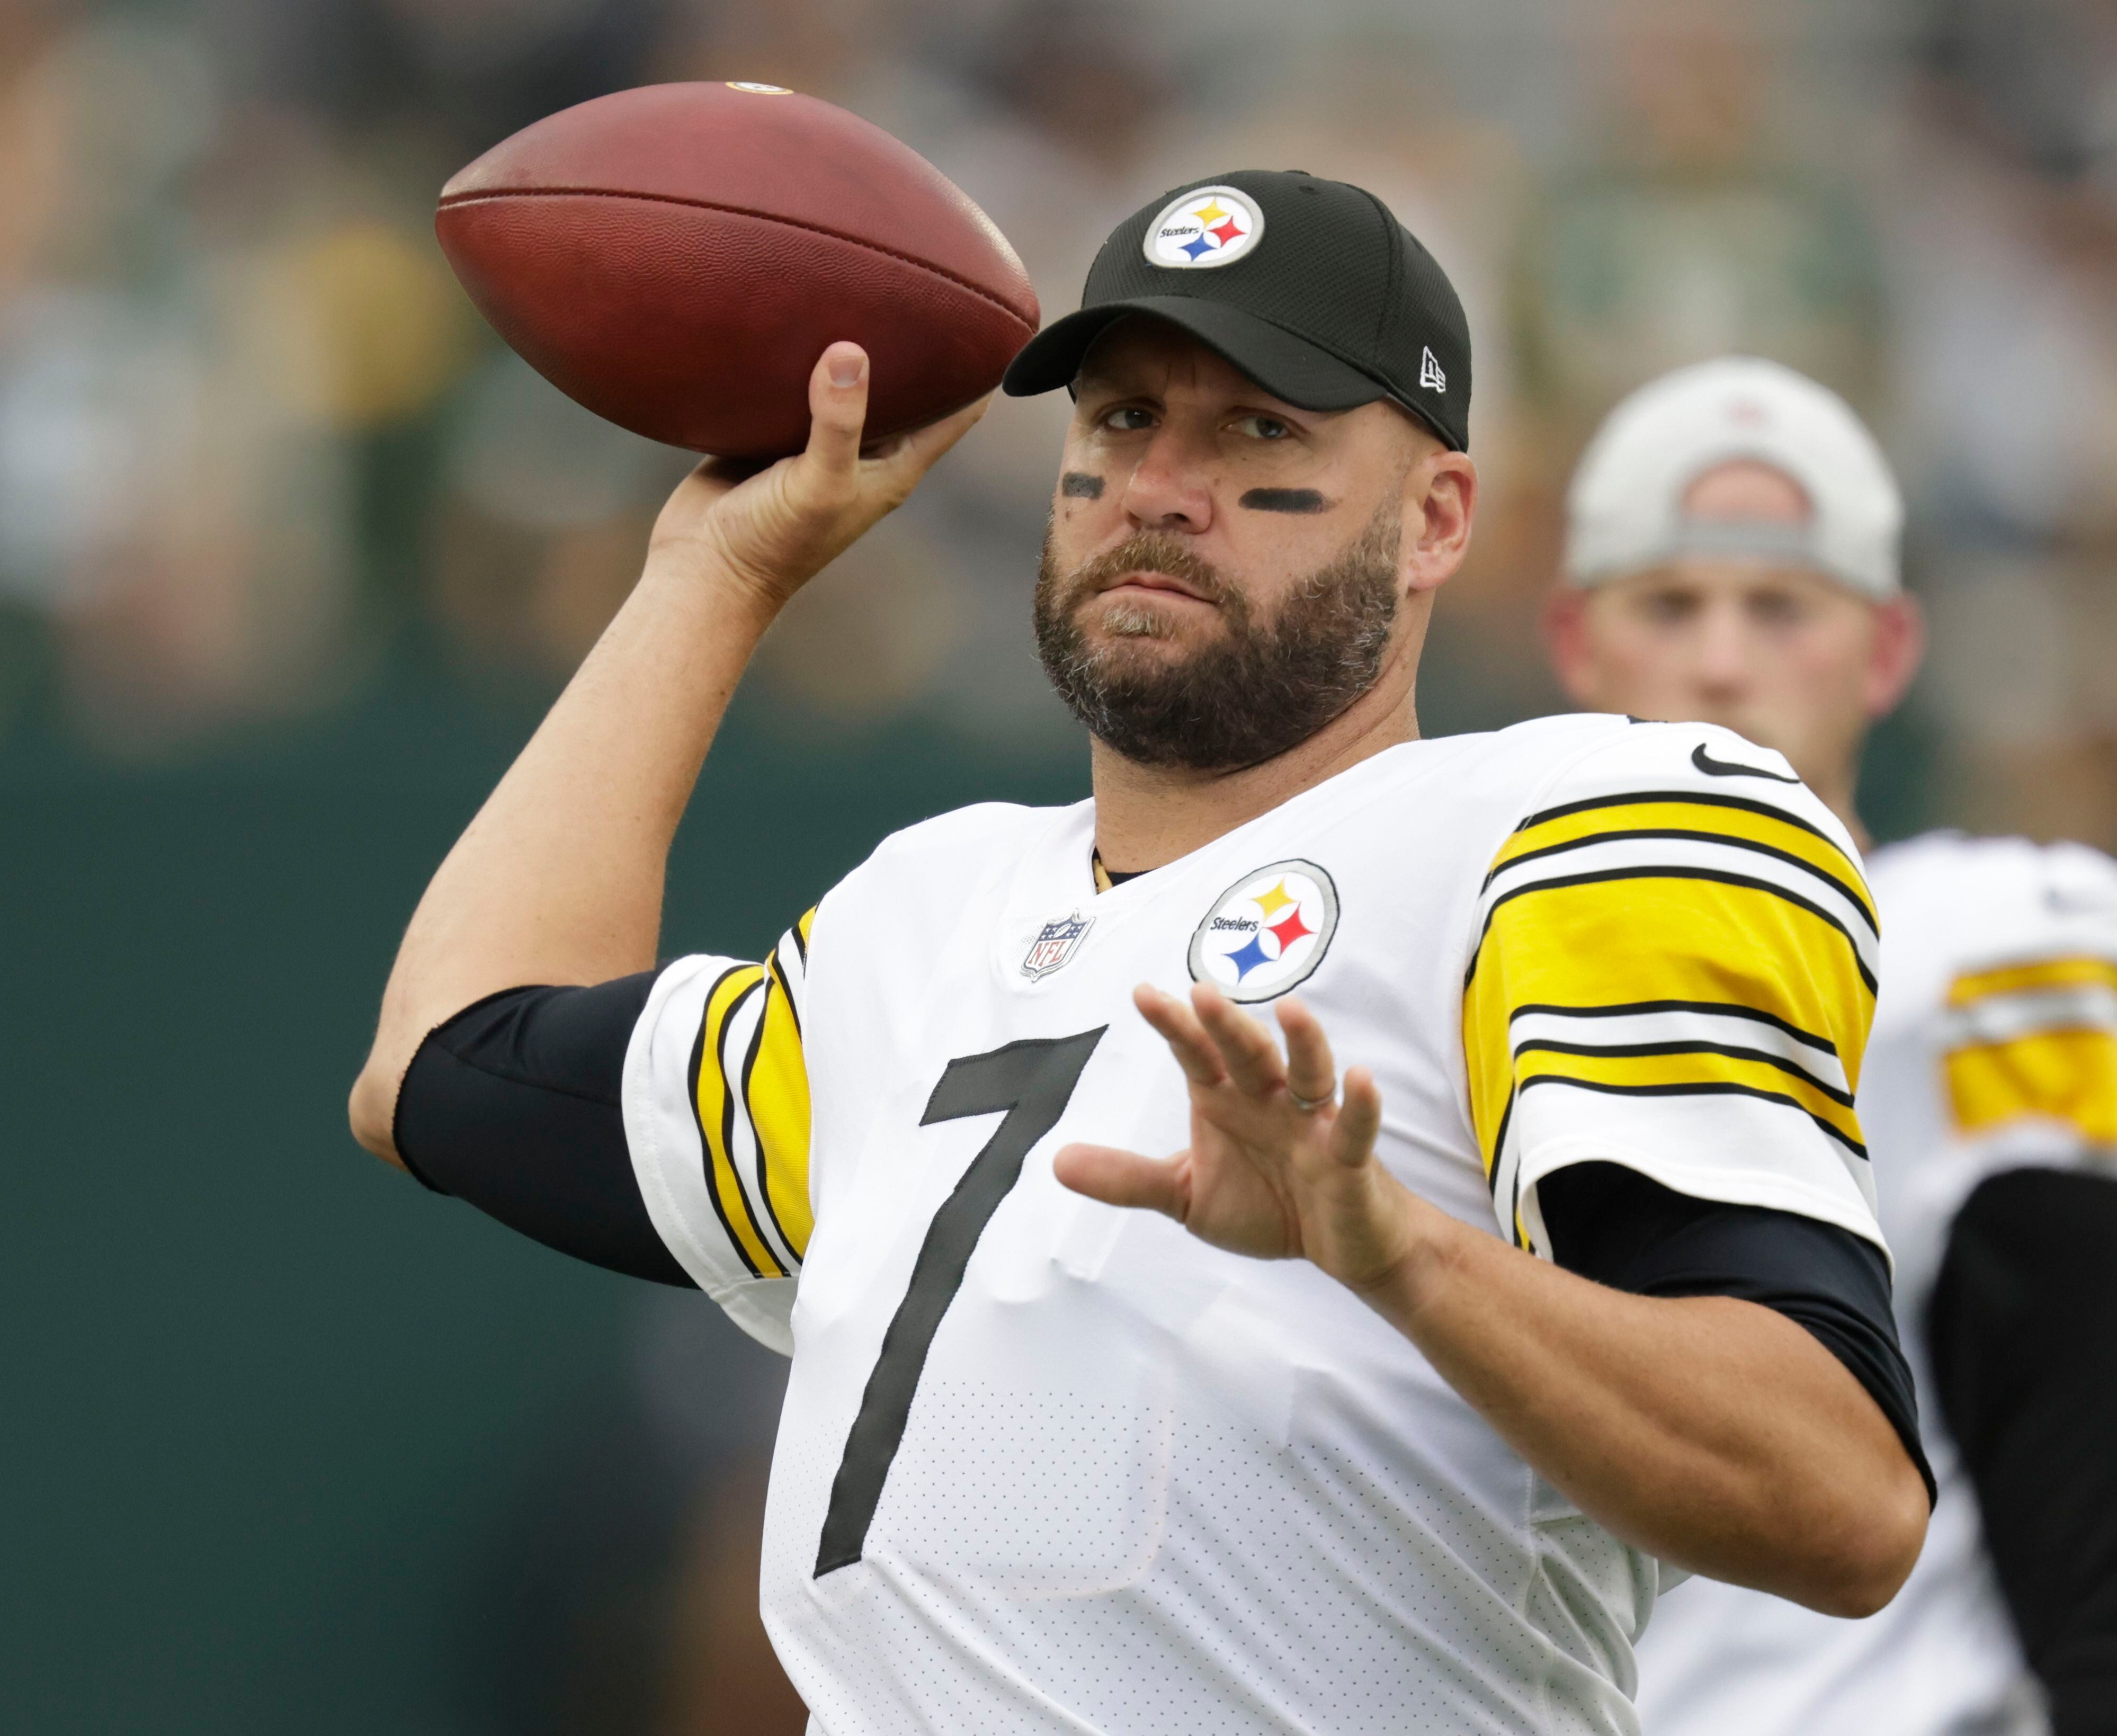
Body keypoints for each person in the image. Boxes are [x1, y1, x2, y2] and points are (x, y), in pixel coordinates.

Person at [345, 173, 1930, 1734]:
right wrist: (716, 573)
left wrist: (1389, 1250)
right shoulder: (925, 908)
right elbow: (444, 1063)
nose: (1162, 484)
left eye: (1259, 430)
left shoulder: (1567, 823)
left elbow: (1837, 1503)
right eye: (1117, 422)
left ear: (1438, 517)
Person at [1544, 357, 2117, 1736]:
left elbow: (2101, 1493)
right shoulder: (1448, 961)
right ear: (1575, 641)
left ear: (1887, 650)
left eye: (1779, 606)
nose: (1721, 659)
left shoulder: (1999, 947)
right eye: (1670, 604)